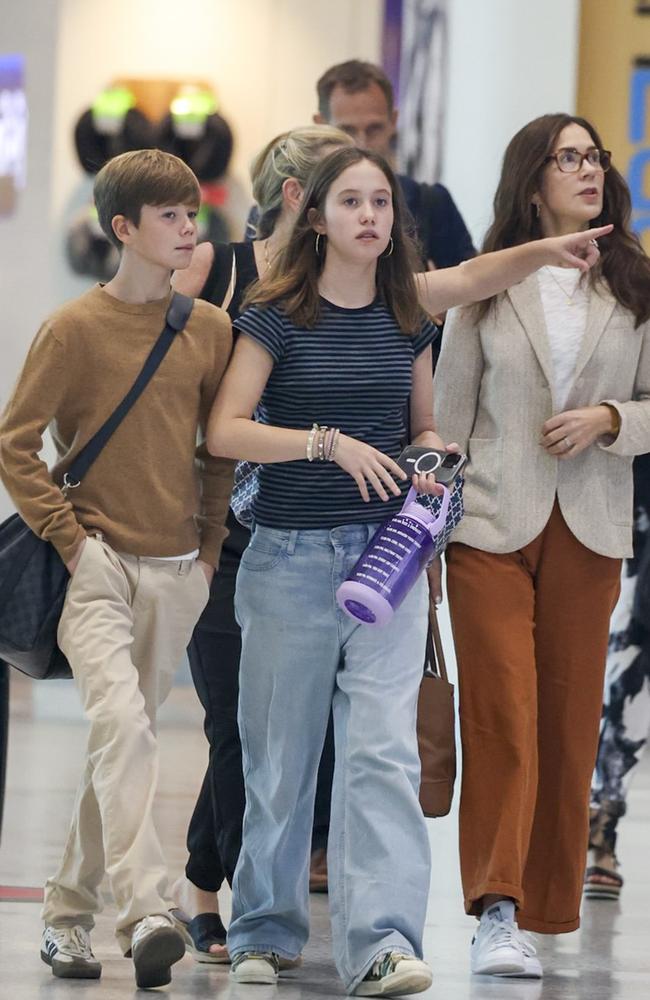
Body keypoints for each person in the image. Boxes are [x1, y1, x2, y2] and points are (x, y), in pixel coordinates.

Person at [206, 143, 606, 996]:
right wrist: (326, 444)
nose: (370, 217)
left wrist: (433, 454)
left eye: (381, 203)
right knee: (280, 758)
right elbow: (226, 431)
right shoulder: (276, 314)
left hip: (384, 563)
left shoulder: (406, 315)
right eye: (350, 202)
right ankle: (265, 931)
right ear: (314, 217)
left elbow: (426, 408)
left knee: (381, 755)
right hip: (286, 561)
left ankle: (381, 942)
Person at [0, 149, 234, 989]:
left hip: (178, 573)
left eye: (193, 212)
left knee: (117, 748)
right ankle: (146, 911)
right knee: (126, 730)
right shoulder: (72, 330)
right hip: (93, 567)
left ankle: (66, 920)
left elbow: (217, 454)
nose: (188, 228)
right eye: (170, 216)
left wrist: (207, 555)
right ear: (123, 228)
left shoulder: (207, 329)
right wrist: (71, 542)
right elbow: (14, 442)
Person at [433, 113, 650, 979]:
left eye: (593, 156)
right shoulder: (489, 284)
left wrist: (609, 420)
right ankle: (496, 908)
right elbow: (448, 415)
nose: (587, 169)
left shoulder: (635, 284)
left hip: (590, 527)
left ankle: (547, 906)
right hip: (489, 523)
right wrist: (426, 526)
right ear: (533, 184)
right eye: (568, 159)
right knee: (503, 718)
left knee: (566, 725)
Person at [170, 124, 353, 960]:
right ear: (295, 198)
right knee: (232, 724)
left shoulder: (345, 284)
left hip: (302, 532)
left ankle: (220, 889)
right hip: (218, 528)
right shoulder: (222, 269)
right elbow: (169, 382)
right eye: (339, 192)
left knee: (274, 724)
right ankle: (218, 893)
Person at [313, 58, 476, 269]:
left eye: (374, 129)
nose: (361, 144)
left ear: (393, 121)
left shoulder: (432, 205)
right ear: (320, 126)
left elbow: (473, 295)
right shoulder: (293, 207)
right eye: (347, 131)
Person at [586, 453, 650, 900]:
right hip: (623, 480)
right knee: (623, 653)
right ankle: (595, 818)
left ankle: (602, 818)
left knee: (636, 667)